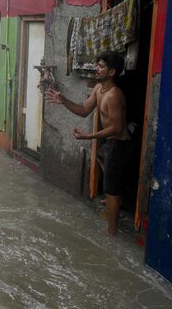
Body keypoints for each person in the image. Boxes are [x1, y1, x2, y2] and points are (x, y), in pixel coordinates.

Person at [45, 51, 132, 236]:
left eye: (100, 66)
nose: (96, 69)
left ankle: (112, 233)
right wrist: (63, 100)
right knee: (103, 161)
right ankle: (117, 201)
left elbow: (116, 128)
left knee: (111, 189)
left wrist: (88, 136)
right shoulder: (98, 89)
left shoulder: (114, 95)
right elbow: (84, 110)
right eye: (97, 65)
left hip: (119, 144)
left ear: (112, 72)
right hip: (109, 144)